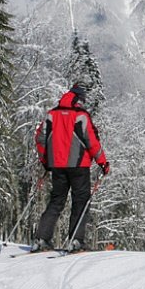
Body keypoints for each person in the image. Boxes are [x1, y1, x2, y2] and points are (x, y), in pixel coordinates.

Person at [31, 83, 109, 252]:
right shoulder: (81, 116)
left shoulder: (52, 115)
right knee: (80, 201)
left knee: (56, 200)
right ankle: (75, 241)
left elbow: (40, 139)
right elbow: (91, 141)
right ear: (78, 100)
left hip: (57, 166)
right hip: (78, 166)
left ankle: (41, 238)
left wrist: (46, 160)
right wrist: (103, 162)